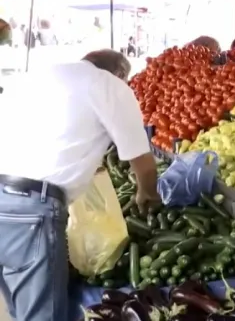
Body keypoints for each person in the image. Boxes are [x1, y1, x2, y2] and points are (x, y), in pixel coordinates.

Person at [0, 49, 160, 320]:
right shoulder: (107, 84)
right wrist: (147, 192)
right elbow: (141, 159)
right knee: (42, 314)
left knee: (19, 306)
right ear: (120, 73)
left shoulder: (41, 75)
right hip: (31, 211)